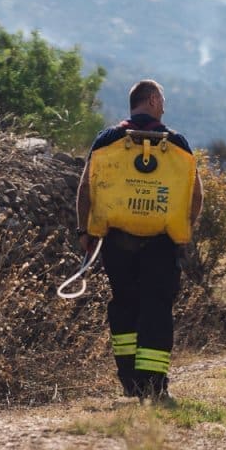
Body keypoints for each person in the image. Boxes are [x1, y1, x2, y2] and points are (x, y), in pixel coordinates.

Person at [76, 79, 205, 402]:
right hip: (162, 243)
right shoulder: (176, 143)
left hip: (117, 243)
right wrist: (184, 230)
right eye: (161, 99)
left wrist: (85, 232)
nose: (163, 105)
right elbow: (196, 193)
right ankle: (155, 385)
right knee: (157, 309)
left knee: (124, 306)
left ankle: (130, 382)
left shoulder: (107, 140)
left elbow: (86, 188)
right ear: (151, 100)